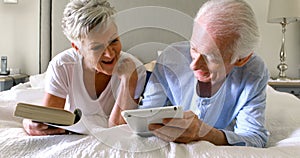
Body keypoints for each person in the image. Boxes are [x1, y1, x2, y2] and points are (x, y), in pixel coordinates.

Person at [141, 0, 269, 147]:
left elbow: (254, 138)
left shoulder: (254, 73)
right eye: (193, 49)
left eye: (211, 57)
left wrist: (204, 133)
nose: (193, 65)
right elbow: (145, 118)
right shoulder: (170, 59)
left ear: (241, 59)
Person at [23, 0, 146, 136]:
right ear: (77, 48)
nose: (110, 54)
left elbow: (118, 130)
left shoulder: (135, 69)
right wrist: (30, 123)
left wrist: (128, 81)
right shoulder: (62, 66)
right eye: (97, 47)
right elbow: (49, 122)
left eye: (114, 41)